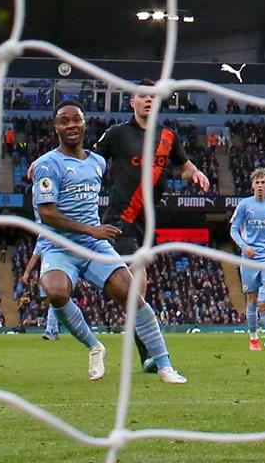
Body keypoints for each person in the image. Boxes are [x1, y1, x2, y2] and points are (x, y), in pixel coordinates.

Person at [32, 100, 186, 383]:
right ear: (56, 127)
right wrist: (92, 230)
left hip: (94, 247)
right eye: (64, 121)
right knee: (56, 292)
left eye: (75, 120)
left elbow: (131, 172)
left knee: (132, 296)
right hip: (60, 248)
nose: (71, 126)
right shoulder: (47, 165)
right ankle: (94, 346)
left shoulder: (97, 162)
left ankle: (165, 365)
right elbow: (47, 213)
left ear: (84, 122)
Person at [96, 78, 211, 370]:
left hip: (148, 220)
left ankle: (145, 351)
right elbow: (91, 163)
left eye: (152, 97)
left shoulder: (168, 137)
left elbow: (184, 166)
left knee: (136, 289)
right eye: (142, 96)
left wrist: (195, 174)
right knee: (139, 282)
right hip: (121, 217)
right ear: (132, 101)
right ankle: (150, 355)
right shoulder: (117, 134)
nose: (148, 100)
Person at [230, 167, 265, 351]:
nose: (261, 185)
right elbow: (233, 230)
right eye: (257, 182)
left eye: (263, 182)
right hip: (249, 259)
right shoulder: (244, 205)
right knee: (252, 300)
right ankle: (253, 338)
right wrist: (244, 247)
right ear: (252, 185)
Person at [21, 249, 60, 340]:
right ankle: (55, 331)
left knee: (53, 305)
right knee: (54, 306)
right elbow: (35, 259)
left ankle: (49, 330)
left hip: (54, 277)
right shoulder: (45, 245)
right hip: (46, 277)